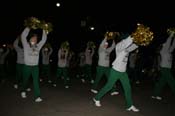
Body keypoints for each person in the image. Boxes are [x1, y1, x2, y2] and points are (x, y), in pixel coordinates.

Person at [93, 35, 139, 112]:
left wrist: (139, 41)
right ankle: (96, 98)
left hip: (123, 72)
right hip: (116, 70)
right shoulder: (119, 45)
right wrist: (133, 36)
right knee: (109, 86)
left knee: (128, 88)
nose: (106, 45)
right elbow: (126, 42)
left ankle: (129, 105)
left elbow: (132, 47)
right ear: (124, 39)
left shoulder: (126, 47)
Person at [20, 27, 47, 102]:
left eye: (36, 38)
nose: (35, 39)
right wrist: (29, 27)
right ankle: (23, 90)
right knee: (25, 80)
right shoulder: (26, 45)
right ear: (30, 38)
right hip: (27, 66)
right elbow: (23, 36)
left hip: (35, 67)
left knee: (36, 81)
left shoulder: (38, 46)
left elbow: (44, 40)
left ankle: (37, 96)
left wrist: (44, 30)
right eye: (33, 38)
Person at [152, 31, 175, 100]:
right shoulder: (163, 51)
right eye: (166, 45)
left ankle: (155, 94)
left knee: (162, 82)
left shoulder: (169, 51)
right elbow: (168, 43)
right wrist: (171, 35)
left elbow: (173, 45)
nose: (168, 45)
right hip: (164, 68)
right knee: (172, 81)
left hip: (167, 68)